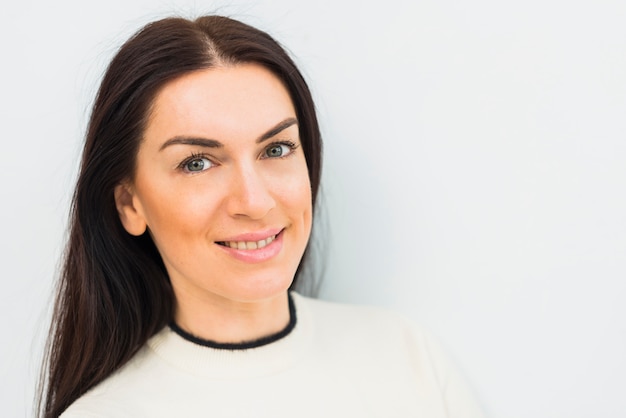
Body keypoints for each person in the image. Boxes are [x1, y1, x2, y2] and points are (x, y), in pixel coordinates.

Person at [38, 15, 484, 418]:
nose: (254, 201)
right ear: (129, 205)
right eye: (197, 162)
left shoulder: (408, 357)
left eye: (276, 149)